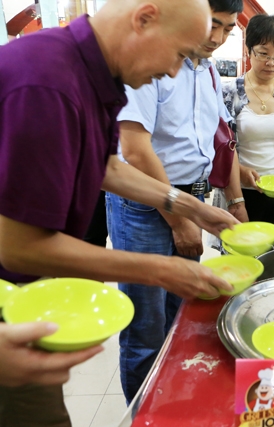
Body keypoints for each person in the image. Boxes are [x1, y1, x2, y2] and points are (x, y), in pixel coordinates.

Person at [0, 0, 240, 424]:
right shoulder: (47, 82)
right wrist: (160, 269)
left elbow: (105, 165)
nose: (173, 72)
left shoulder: (88, 73)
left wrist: (189, 206)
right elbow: (18, 248)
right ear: (144, 19)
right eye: (179, 54)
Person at [106, 0, 245, 403]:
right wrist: (180, 219)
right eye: (212, 24)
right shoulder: (152, 63)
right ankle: (145, 413)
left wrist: (228, 198)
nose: (217, 38)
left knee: (179, 315)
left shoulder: (207, 70)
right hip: (145, 205)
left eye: (228, 29)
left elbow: (218, 138)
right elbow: (135, 151)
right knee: (146, 327)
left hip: (189, 196)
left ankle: (171, 404)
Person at [222, 14, 274, 248]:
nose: (271, 62)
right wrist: (240, 171)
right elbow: (221, 147)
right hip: (240, 192)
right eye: (263, 54)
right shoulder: (230, 93)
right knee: (241, 257)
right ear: (249, 50)